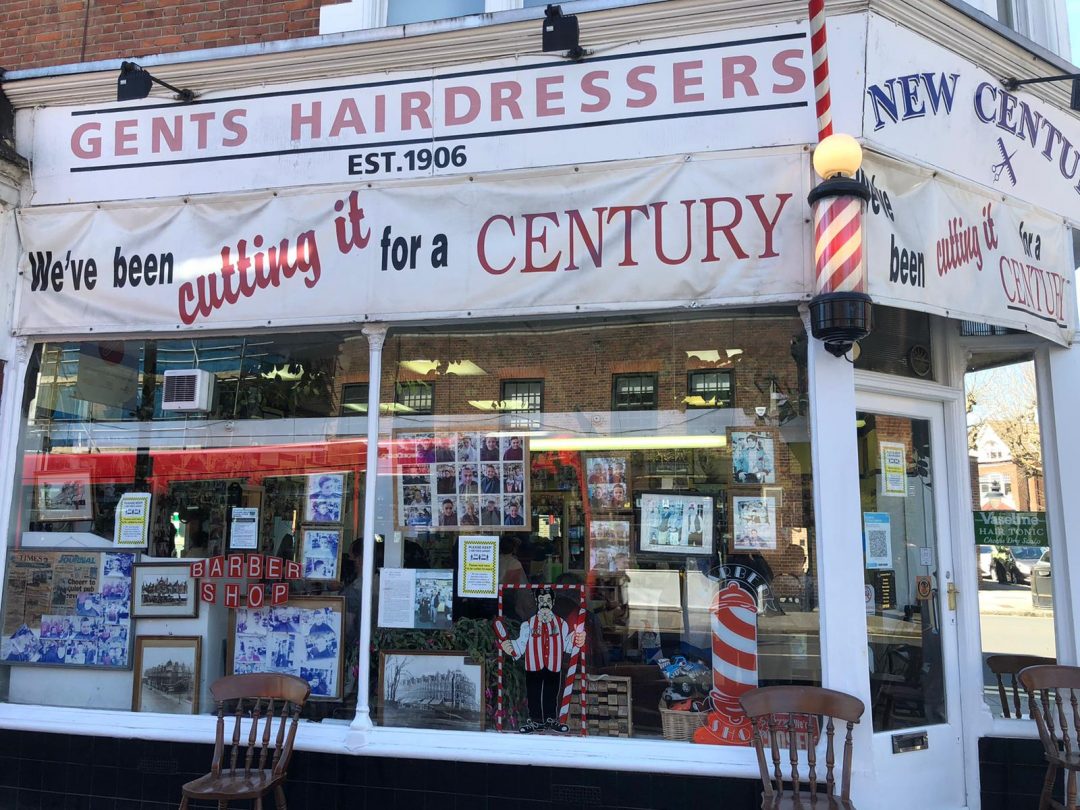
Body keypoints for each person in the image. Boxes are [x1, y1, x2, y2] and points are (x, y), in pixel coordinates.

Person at [501, 587, 585, 733]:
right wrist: (509, 647)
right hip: (533, 666)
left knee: (551, 693)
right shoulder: (527, 625)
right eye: (541, 600)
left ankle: (551, 720)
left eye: (547, 600)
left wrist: (575, 639)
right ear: (537, 602)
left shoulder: (561, 624)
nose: (544, 604)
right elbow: (520, 646)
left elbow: (567, 645)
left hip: (553, 666)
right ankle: (535, 721)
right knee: (534, 693)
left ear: (552, 602)